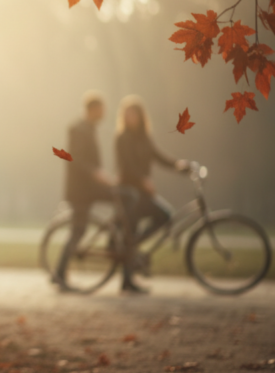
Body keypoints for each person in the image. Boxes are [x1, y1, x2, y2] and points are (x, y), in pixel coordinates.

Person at [114, 95, 188, 294]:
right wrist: (142, 180)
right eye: (127, 114)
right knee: (134, 229)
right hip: (130, 192)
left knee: (165, 216)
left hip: (142, 193)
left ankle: (133, 247)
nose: (131, 117)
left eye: (134, 113)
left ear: (140, 115)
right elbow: (126, 165)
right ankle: (127, 278)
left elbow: (158, 156)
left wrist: (178, 165)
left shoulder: (144, 137)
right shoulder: (122, 138)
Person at [54, 91, 114, 292]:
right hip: (80, 190)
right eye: (101, 110)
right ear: (92, 109)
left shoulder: (90, 128)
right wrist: (95, 172)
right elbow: (75, 159)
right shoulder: (77, 129)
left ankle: (117, 241)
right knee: (78, 230)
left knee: (123, 198)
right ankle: (59, 275)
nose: (103, 114)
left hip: (90, 188)